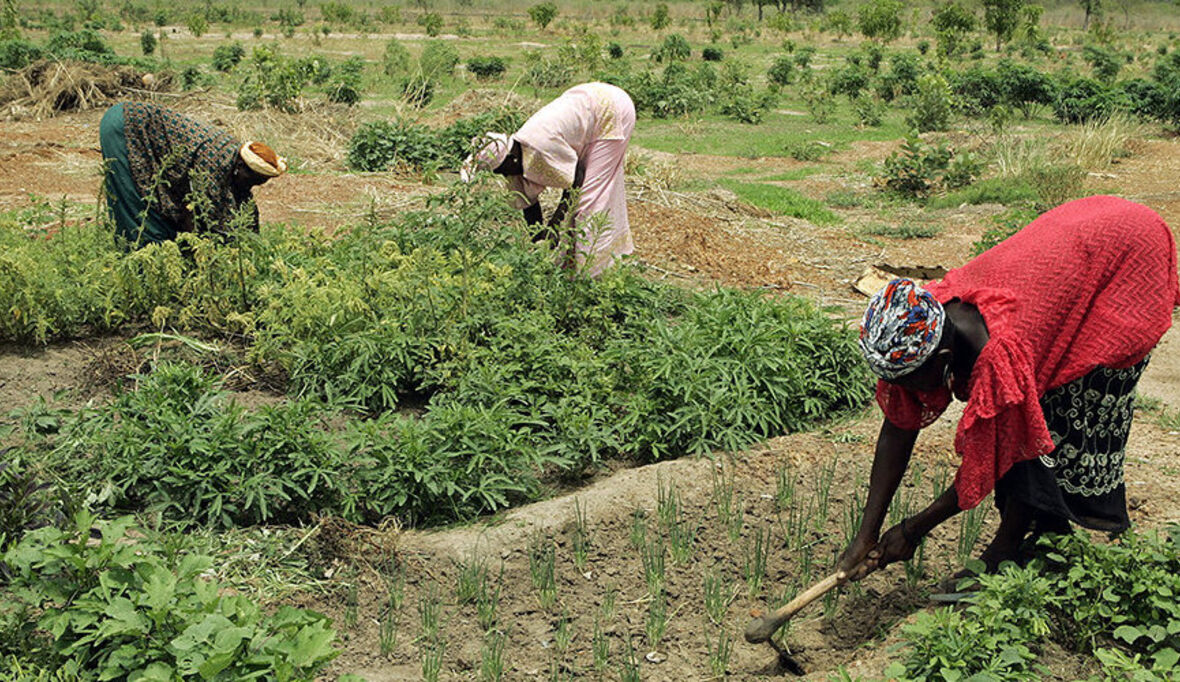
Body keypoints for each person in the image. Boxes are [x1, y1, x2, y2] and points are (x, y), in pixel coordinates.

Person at [839, 195, 1180, 583]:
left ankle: (1007, 552)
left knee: (1059, 410)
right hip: (1083, 234)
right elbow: (898, 427)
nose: (906, 393)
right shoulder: (924, 320)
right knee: (1035, 412)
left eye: (909, 384)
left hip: (1128, 256)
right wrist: (865, 534)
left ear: (944, 360)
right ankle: (1047, 536)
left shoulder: (997, 355)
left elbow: (1000, 456)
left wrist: (912, 530)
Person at [461, 82, 636, 277]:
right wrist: (538, 245)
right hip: (590, 107)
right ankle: (572, 269)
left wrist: (555, 225)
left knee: (590, 202)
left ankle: (593, 276)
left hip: (610, 111)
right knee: (580, 208)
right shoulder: (518, 158)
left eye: (501, 170)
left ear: (510, 158)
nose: (503, 176)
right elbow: (528, 203)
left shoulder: (539, 146)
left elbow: (576, 179)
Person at [99, 102, 287, 247]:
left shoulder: (233, 162)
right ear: (241, 167)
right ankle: (139, 261)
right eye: (253, 181)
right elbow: (195, 214)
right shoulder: (213, 161)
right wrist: (198, 249)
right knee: (137, 202)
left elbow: (242, 205)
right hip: (127, 126)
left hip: (139, 127)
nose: (251, 187)